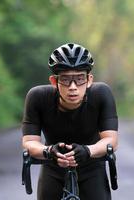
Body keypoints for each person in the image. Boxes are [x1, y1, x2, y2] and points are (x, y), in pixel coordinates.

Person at [21, 43, 118, 200]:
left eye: (79, 79)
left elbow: (111, 141)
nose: (73, 87)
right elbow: (29, 142)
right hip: (53, 166)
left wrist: (87, 151)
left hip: (91, 165)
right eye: (65, 79)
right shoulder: (37, 97)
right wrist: (48, 151)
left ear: (89, 80)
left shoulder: (101, 94)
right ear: (54, 81)